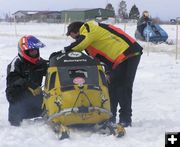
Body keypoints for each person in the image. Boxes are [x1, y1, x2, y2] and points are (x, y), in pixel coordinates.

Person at [50, 20, 143, 127]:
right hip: (116, 60)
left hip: (129, 53)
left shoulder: (89, 27)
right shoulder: (90, 41)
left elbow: (80, 43)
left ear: (76, 31)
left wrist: (63, 51)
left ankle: (125, 119)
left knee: (124, 87)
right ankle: (110, 117)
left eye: (74, 37)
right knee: (111, 87)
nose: (74, 40)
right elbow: (98, 57)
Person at [6, 35, 48, 126]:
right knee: (14, 91)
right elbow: (12, 79)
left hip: (35, 95)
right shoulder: (16, 63)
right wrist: (29, 85)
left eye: (36, 50)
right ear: (23, 51)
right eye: (32, 51)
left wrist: (57, 59)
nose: (35, 53)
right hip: (18, 97)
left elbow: (52, 68)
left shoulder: (40, 62)